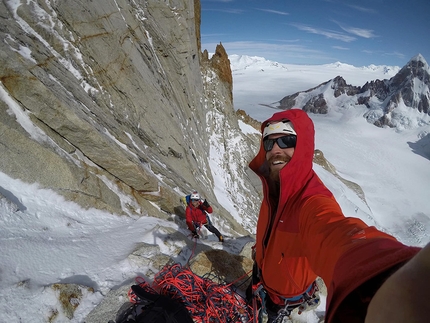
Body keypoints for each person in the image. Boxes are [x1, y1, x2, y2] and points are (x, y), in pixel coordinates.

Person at [248, 108, 428, 323]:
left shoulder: (311, 201)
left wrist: (384, 271)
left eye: (286, 141)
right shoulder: (273, 188)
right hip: (262, 279)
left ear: (302, 146)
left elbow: (334, 233)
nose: (275, 150)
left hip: (285, 300)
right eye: (269, 143)